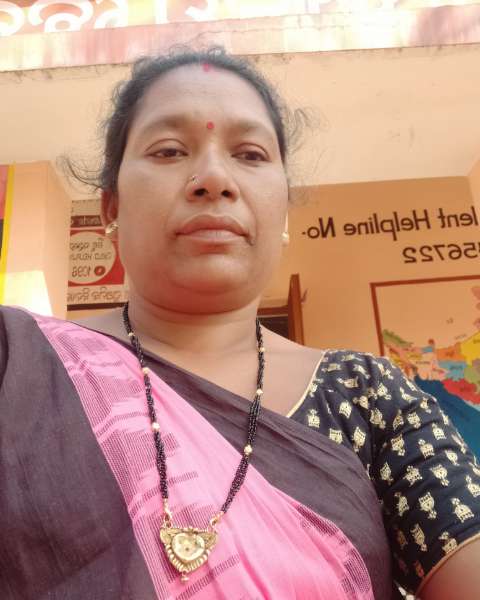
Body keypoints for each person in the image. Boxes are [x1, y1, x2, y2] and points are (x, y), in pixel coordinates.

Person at [0, 47, 479, 600]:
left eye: (250, 154)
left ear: (283, 211)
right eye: (169, 150)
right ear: (111, 208)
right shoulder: (18, 365)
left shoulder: (368, 397)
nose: (213, 178)